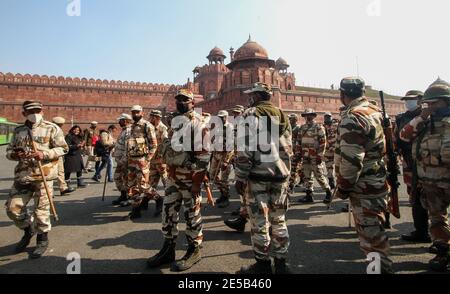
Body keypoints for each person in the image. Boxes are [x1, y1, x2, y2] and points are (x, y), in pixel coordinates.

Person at [147, 89, 211, 272]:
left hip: (190, 177)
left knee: (192, 215)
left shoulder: (197, 123)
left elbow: (204, 155)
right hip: (174, 176)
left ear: (192, 103)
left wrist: (198, 182)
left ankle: (194, 250)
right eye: (178, 99)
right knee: (168, 212)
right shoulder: (175, 123)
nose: (180, 102)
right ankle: (168, 249)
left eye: (185, 100)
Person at [335, 77, 393, 274]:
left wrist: (343, 188)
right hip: (378, 179)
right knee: (375, 231)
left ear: (342, 94)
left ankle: (379, 271)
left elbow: (352, 161)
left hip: (364, 186)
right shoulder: (375, 111)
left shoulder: (353, 116)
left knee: (371, 239)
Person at [234, 83, 293, 274]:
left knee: (260, 223)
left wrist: (240, 177)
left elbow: (245, 149)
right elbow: (289, 147)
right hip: (280, 175)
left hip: (258, 176)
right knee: (279, 220)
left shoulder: (250, 114)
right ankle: (282, 264)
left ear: (257, 96)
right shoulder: (282, 114)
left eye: (251, 96)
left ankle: (263, 265)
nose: (249, 99)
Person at [5, 100, 68, 259]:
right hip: (23, 176)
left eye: (37, 110)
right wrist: (15, 154)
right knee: (13, 209)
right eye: (31, 111)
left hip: (43, 176)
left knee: (41, 211)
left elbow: (63, 148)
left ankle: (42, 239)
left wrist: (44, 154)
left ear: (42, 111)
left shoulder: (51, 128)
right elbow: (8, 152)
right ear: (24, 113)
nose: (35, 114)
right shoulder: (19, 131)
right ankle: (28, 229)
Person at [400, 78, 450, 272]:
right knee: (437, 219)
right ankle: (443, 251)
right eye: (428, 103)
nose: (430, 106)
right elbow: (404, 135)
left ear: (446, 101)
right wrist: (421, 116)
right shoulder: (424, 123)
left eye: (434, 102)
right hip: (431, 182)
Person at [393, 90, 431, 243]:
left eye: (412, 99)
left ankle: (439, 237)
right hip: (409, 162)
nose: (408, 102)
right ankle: (421, 231)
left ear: (421, 100)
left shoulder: (430, 117)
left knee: (431, 197)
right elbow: (396, 139)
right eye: (406, 100)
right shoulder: (401, 118)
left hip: (427, 162)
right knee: (414, 196)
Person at [125, 105, 158, 219]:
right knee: (133, 185)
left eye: (137, 112)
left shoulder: (147, 126)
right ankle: (136, 209)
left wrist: (148, 159)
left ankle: (158, 199)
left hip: (142, 159)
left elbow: (154, 144)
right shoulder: (131, 126)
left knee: (143, 185)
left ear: (142, 113)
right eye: (133, 112)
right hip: (131, 159)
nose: (135, 114)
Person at [297, 108, 332, 204]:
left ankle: (328, 193)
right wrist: (298, 153)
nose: (308, 117)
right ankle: (309, 196)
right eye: (306, 115)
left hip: (315, 156)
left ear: (313, 116)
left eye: (310, 115)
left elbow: (323, 142)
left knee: (319, 175)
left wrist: (320, 155)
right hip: (305, 156)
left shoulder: (319, 127)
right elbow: (298, 142)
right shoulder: (302, 128)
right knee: (307, 176)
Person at [143, 109, 169, 217]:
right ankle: (145, 202)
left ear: (157, 118)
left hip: (161, 162)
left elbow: (166, 144)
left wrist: (163, 157)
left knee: (167, 185)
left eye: (152, 117)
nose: (150, 118)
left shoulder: (163, 129)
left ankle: (167, 207)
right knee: (150, 184)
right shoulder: (149, 128)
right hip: (152, 161)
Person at [209, 110, 234, 208]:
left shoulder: (230, 128)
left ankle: (225, 197)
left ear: (226, 117)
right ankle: (223, 192)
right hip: (216, 155)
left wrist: (226, 161)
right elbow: (212, 140)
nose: (221, 119)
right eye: (219, 117)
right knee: (212, 176)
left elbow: (231, 146)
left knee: (224, 179)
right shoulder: (217, 127)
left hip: (225, 157)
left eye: (223, 117)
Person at [112, 114, 132, 205]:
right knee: (118, 178)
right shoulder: (124, 130)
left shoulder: (129, 130)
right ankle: (123, 195)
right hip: (121, 161)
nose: (118, 122)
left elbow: (128, 148)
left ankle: (129, 197)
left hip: (125, 161)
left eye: (120, 120)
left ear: (125, 121)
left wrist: (123, 160)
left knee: (128, 179)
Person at [52, 116, 75, 196]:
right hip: (53, 154)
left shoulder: (54, 129)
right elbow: (60, 143)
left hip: (56, 153)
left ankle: (63, 188)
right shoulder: (54, 130)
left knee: (60, 171)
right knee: (51, 173)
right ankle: (50, 191)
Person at [323, 112, 338, 190]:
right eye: (326, 117)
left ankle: (340, 182)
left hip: (336, 149)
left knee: (339, 166)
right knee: (329, 166)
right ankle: (331, 181)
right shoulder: (323, 127)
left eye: (328, 117)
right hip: (328, 150)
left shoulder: (336, 125)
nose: (327, 118)